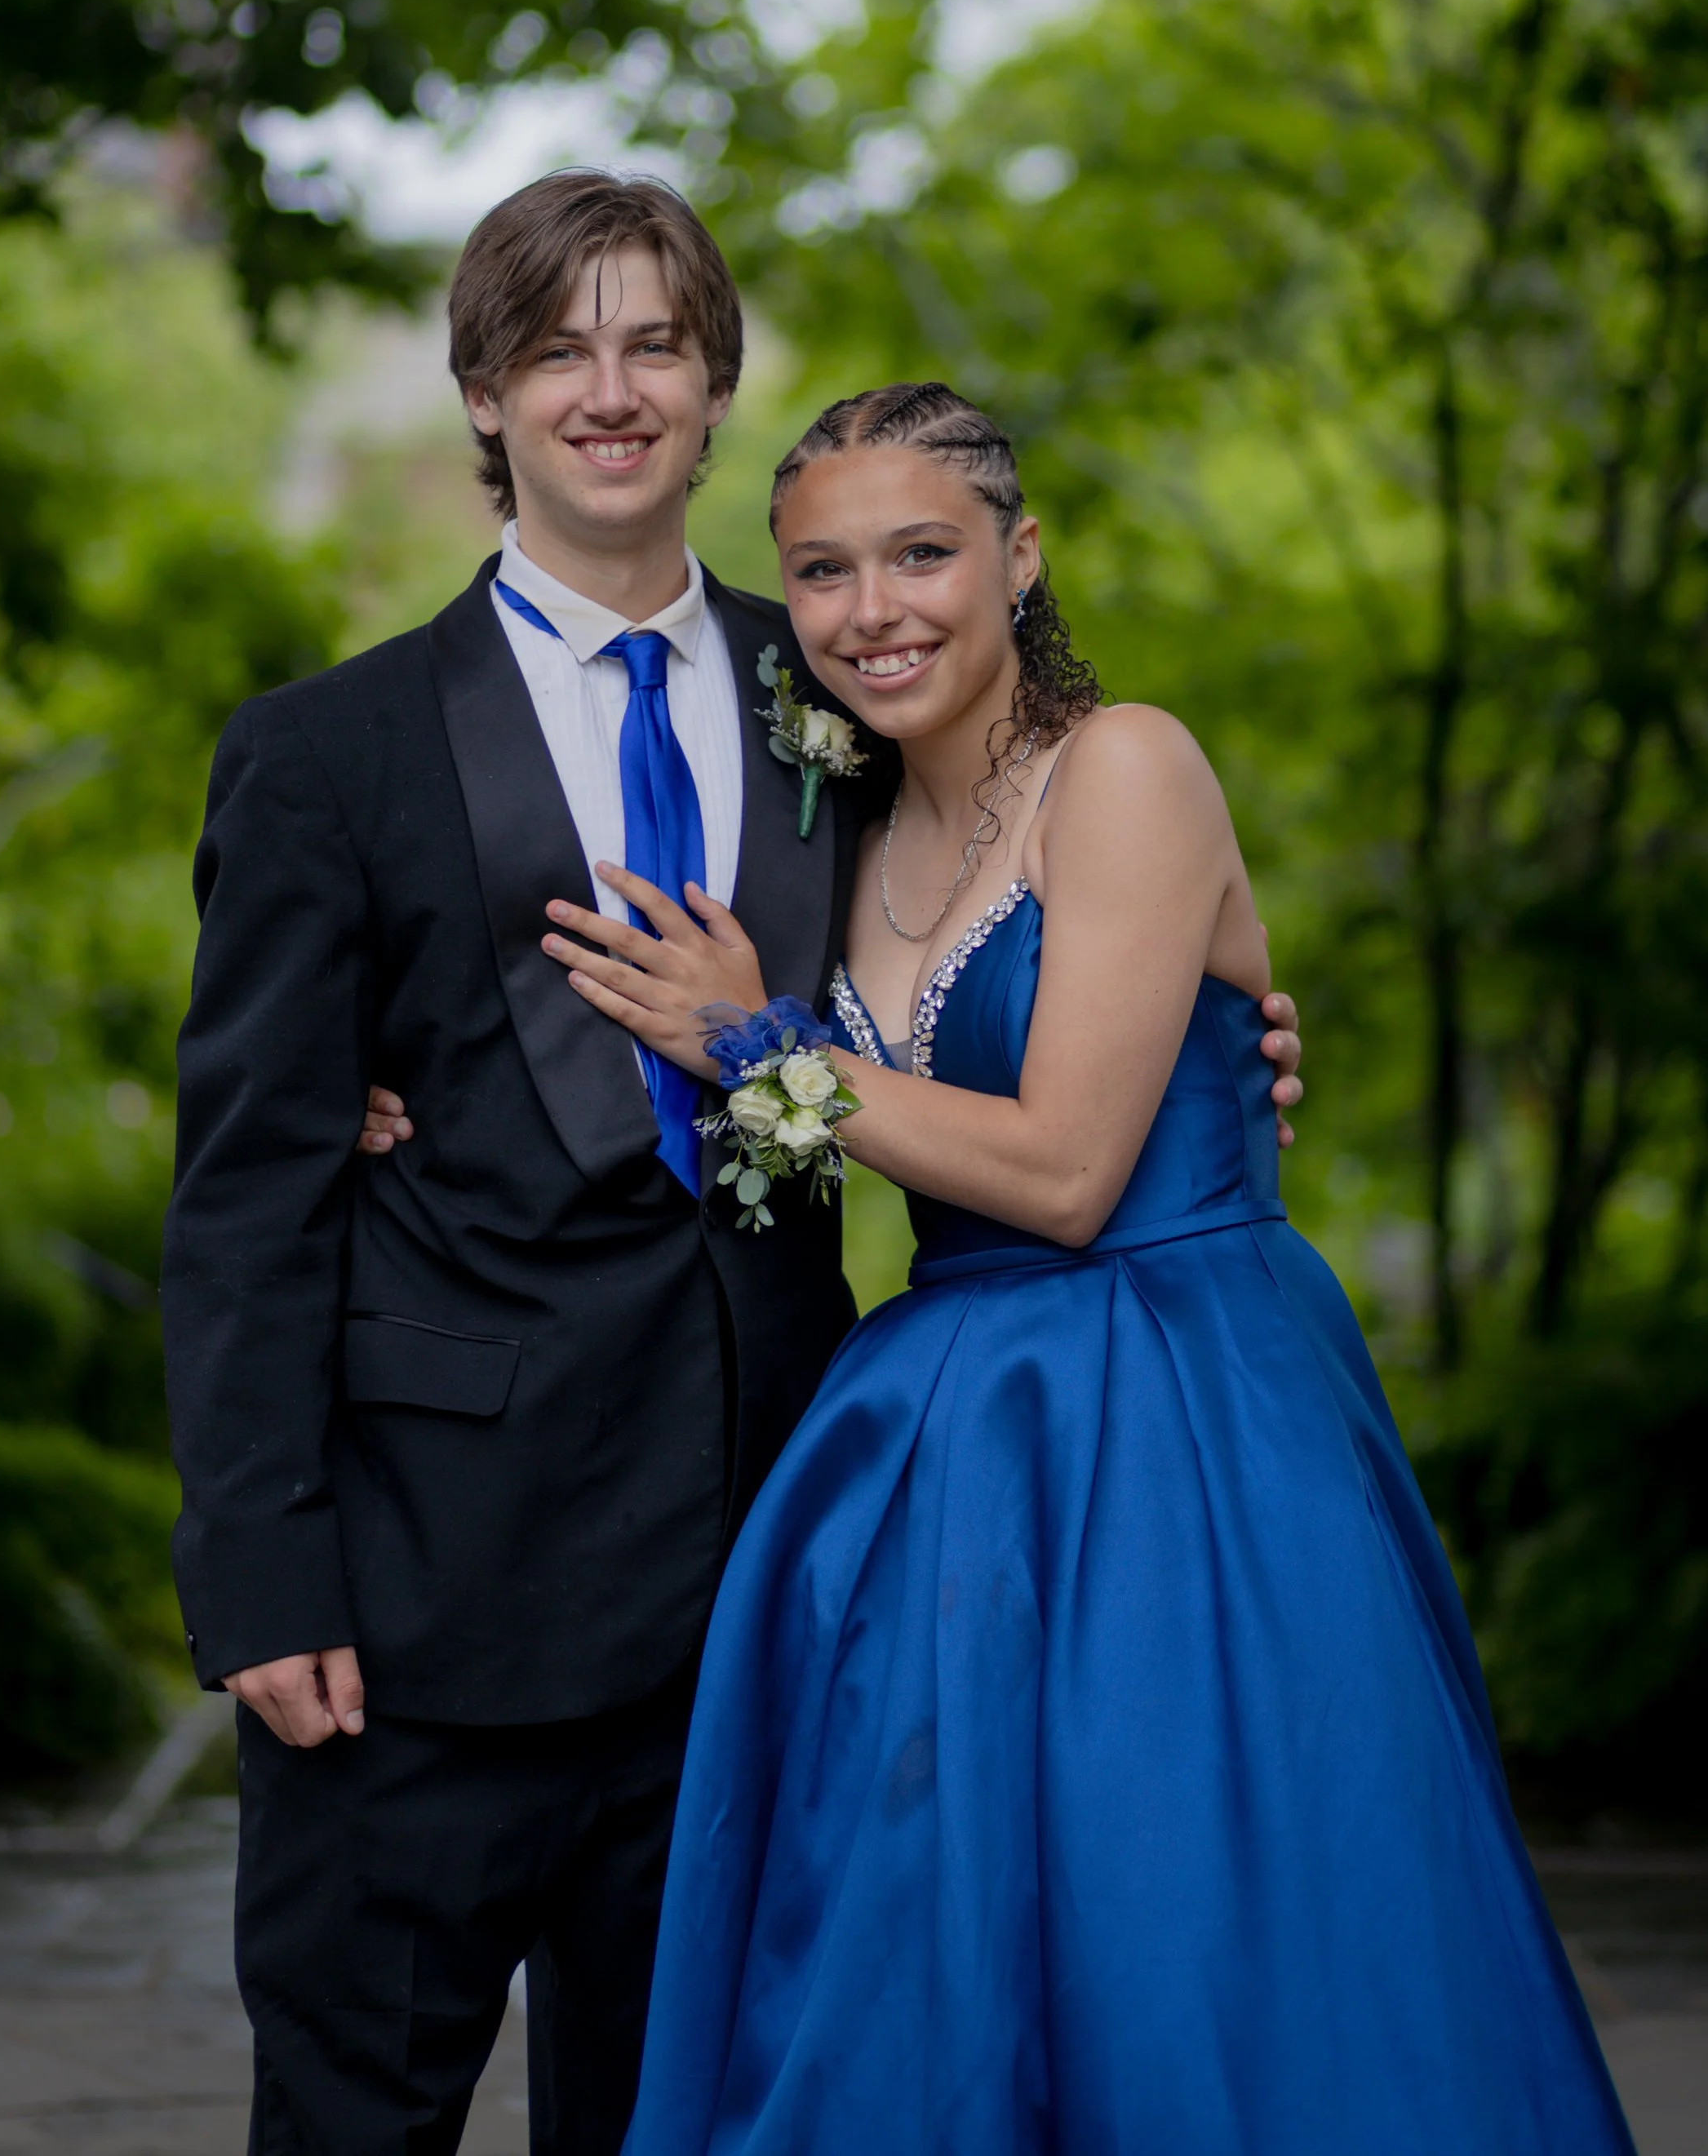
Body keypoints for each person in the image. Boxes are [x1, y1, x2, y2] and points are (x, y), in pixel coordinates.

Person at [161, 170, 1311, 2156]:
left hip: (766, 1576)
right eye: (556, 347)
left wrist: (1238, 1025)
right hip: (420, 1601)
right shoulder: (321, 754)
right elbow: (245, 1194)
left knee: (702, 2124)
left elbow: (1053, 913)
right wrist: (260, 1571)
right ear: (486, 395)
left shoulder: (857, 681)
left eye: (653, 345)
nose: (607, 388)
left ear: (709, 394)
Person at [541, 381, 1634, 2156]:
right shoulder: (841, 833)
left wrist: (759, 1054)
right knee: (918, 1954)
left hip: (1179, 1431)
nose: (870, 608)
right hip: (928, 1454)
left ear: (1017, 556)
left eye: (920, 553)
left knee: (1190, 1933)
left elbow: (1061, 1171)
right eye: (819, 572)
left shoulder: (1127, 765)